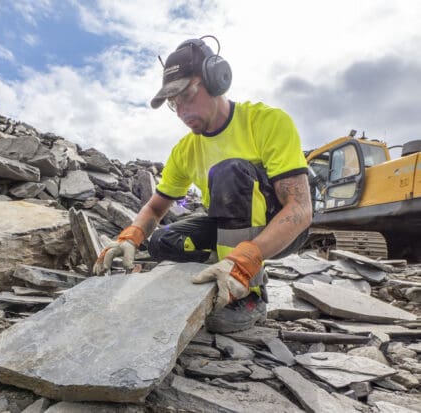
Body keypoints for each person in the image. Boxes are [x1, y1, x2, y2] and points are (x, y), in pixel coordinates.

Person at [93, 35, 313, 333]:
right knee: (162, 242)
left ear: (216, 80)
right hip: (228, 225)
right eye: (174, 103)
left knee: (229, 171)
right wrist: (129, 238)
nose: (181, 111)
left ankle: (251, 291)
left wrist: (248, 259)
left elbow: (300, 208)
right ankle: (225, 266)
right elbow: (156, 207)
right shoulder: (185, 150)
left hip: (282, 227)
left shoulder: (267, 122)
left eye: (186, 94)